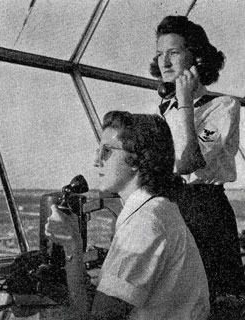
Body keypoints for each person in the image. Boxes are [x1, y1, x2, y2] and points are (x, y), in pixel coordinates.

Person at [45, 111, 210, 320]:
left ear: (136, 158)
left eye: (106, 151)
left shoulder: (145, 224)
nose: (97, 161)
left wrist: (71, 244)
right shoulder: (157, 209)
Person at [150, 15, 244, 305]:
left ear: (198, 59)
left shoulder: (223, 106)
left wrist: (186, 103)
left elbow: (187, 163)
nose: (164, 63)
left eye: (174, 53)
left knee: (213, 302)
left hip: (205, 212)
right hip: (168, 208)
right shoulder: (166, 111)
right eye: (159, 54)